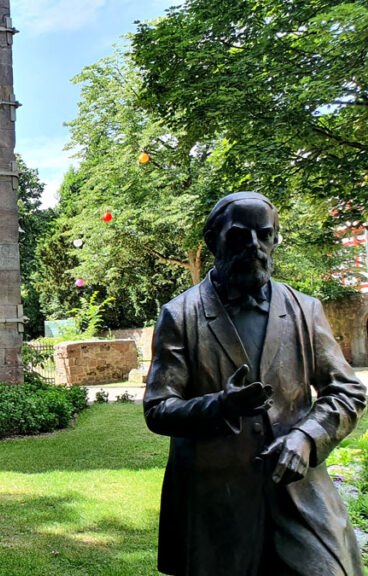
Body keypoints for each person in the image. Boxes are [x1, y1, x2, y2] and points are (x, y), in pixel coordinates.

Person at [144, 192, 366, 575]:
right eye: (239, 236)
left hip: (300, 497)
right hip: (217, 503)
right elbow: (159, 409)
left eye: (264, 235)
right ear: (214, 240)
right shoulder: (180, 315)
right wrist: (221, 406)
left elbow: (347, 390)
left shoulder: (305, 309)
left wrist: (307, 438)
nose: (254, 246)